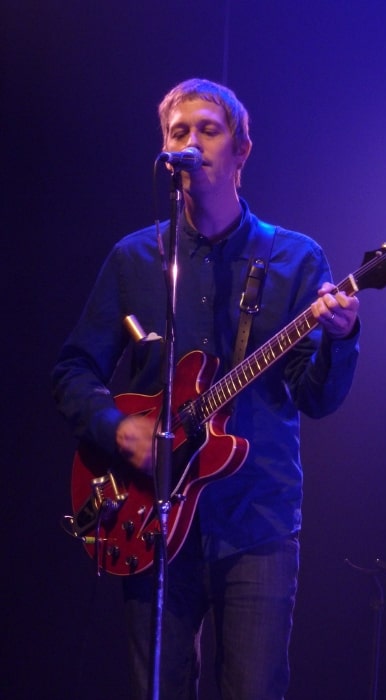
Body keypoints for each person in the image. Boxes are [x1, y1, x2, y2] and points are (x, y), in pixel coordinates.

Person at [52, 77, 360, 700]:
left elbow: (316, 398)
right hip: (150, 514)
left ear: (242, 150)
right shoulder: (136, 259)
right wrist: (118, 428)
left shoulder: (296, 261)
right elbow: (73, 370)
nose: (191, 142)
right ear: (166, 151)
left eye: (208, 130)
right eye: (178, 132)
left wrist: (341, 337)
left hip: (256, 521)